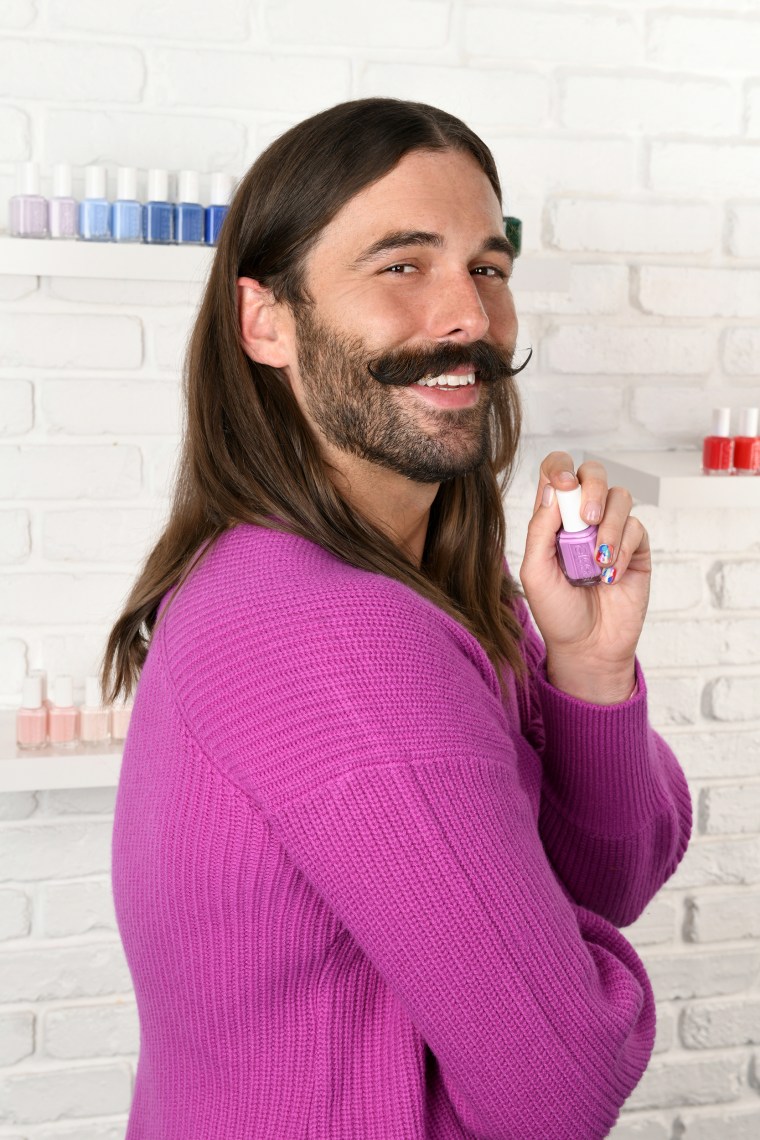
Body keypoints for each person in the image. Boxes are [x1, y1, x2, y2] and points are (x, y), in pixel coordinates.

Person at [105, 98, 692, 1139]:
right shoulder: (330, 632)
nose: (469, 316)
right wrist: (551, 971)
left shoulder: (432, 593)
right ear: (266, 322)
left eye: (487, 267)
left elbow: (610, 881)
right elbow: (559, 1088)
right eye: (402, 266)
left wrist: (588, 670)